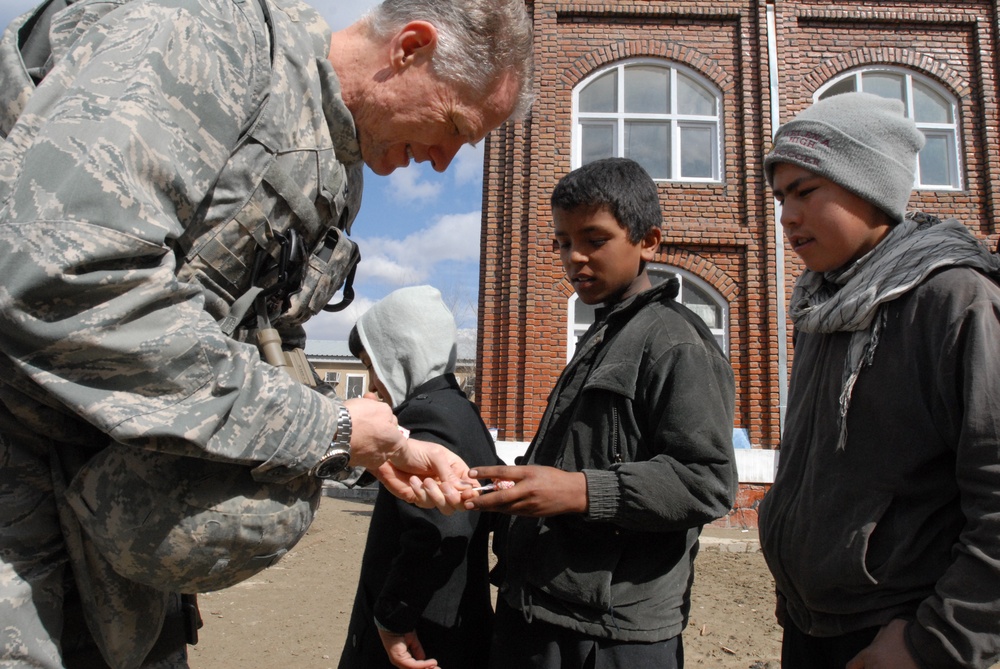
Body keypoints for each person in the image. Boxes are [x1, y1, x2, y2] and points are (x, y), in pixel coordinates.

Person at [0, 0, 533, 666]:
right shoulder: (205, 37)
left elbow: (258, 342)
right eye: (453, 126)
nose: (445, 161)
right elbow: (60, 275)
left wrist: (377, 445)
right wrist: (327, 427)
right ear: (411, 48)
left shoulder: (338, 178)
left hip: (114, 515)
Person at [462, 157, 738, 669]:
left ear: (648, 241)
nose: (575, 258)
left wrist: (578, 491)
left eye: (594, 239)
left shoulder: (675, 342)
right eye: (564, 242)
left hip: (613, 636)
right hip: (540, 608)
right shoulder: (604, 334)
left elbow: (708, 480)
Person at [758, 92, 1000, 669]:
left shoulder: (954, 302)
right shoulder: (823, 307)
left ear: (871, 186)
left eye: (805, 191)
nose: (787, 216)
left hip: (898, 635)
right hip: (812, 625)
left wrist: (931, 645)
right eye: (779, 197)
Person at [337, 285, 502, 669]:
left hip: (424, 632)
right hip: (459, 621)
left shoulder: (423, 415)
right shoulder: (462, 410)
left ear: (400, 353)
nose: (373, 383)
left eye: (370, 363)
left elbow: (438, 530)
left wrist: (393, 619)